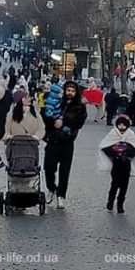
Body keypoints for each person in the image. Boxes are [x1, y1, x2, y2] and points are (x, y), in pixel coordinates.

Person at [42, 80, 87, 209]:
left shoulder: (79, 107)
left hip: (67, 142)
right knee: (48, 168)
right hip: (53, 140)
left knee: (64, 171)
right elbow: (46, 117)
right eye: (68, 90)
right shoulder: (56, 102)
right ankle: (51, 188)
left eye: (72, 91)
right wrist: (52, 122)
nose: (70, 93)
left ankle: (61, 195)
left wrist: (64, 122)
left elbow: (78, 123)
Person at [97, 115, 135, 213]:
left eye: (124, 125)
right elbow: (105, 146)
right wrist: (114, 153)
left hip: (126, 163)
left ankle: (120, 204)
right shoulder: (113, 133)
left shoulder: (130, 135)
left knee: (124, 185)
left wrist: (127, 153)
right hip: (116, 163)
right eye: (120, 124)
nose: (122, 127)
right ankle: (110, 202)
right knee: (114, 183)